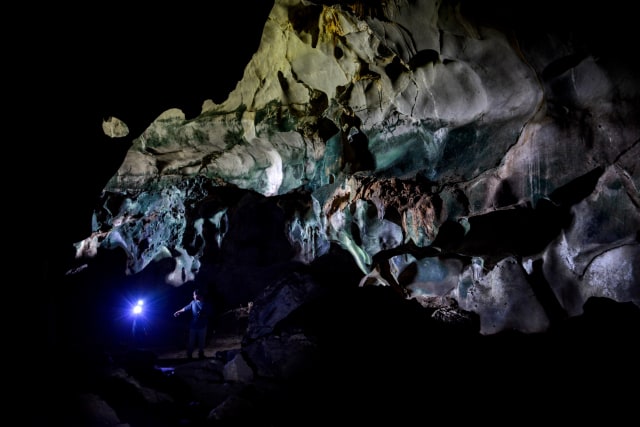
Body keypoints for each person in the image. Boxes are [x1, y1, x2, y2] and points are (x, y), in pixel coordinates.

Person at [173, 288, 211, 359]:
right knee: (191, 342)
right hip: (193, 326)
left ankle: (200, 354)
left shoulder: (206, 304)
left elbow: (210, 313)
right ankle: (189, 355)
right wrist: (178, 311)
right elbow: (185, 308)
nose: (193, 296)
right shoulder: (193, 302)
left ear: (198, 295)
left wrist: (204, 314)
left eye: (194, 295)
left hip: (203, 326)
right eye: (193, 295)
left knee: (201, 342)